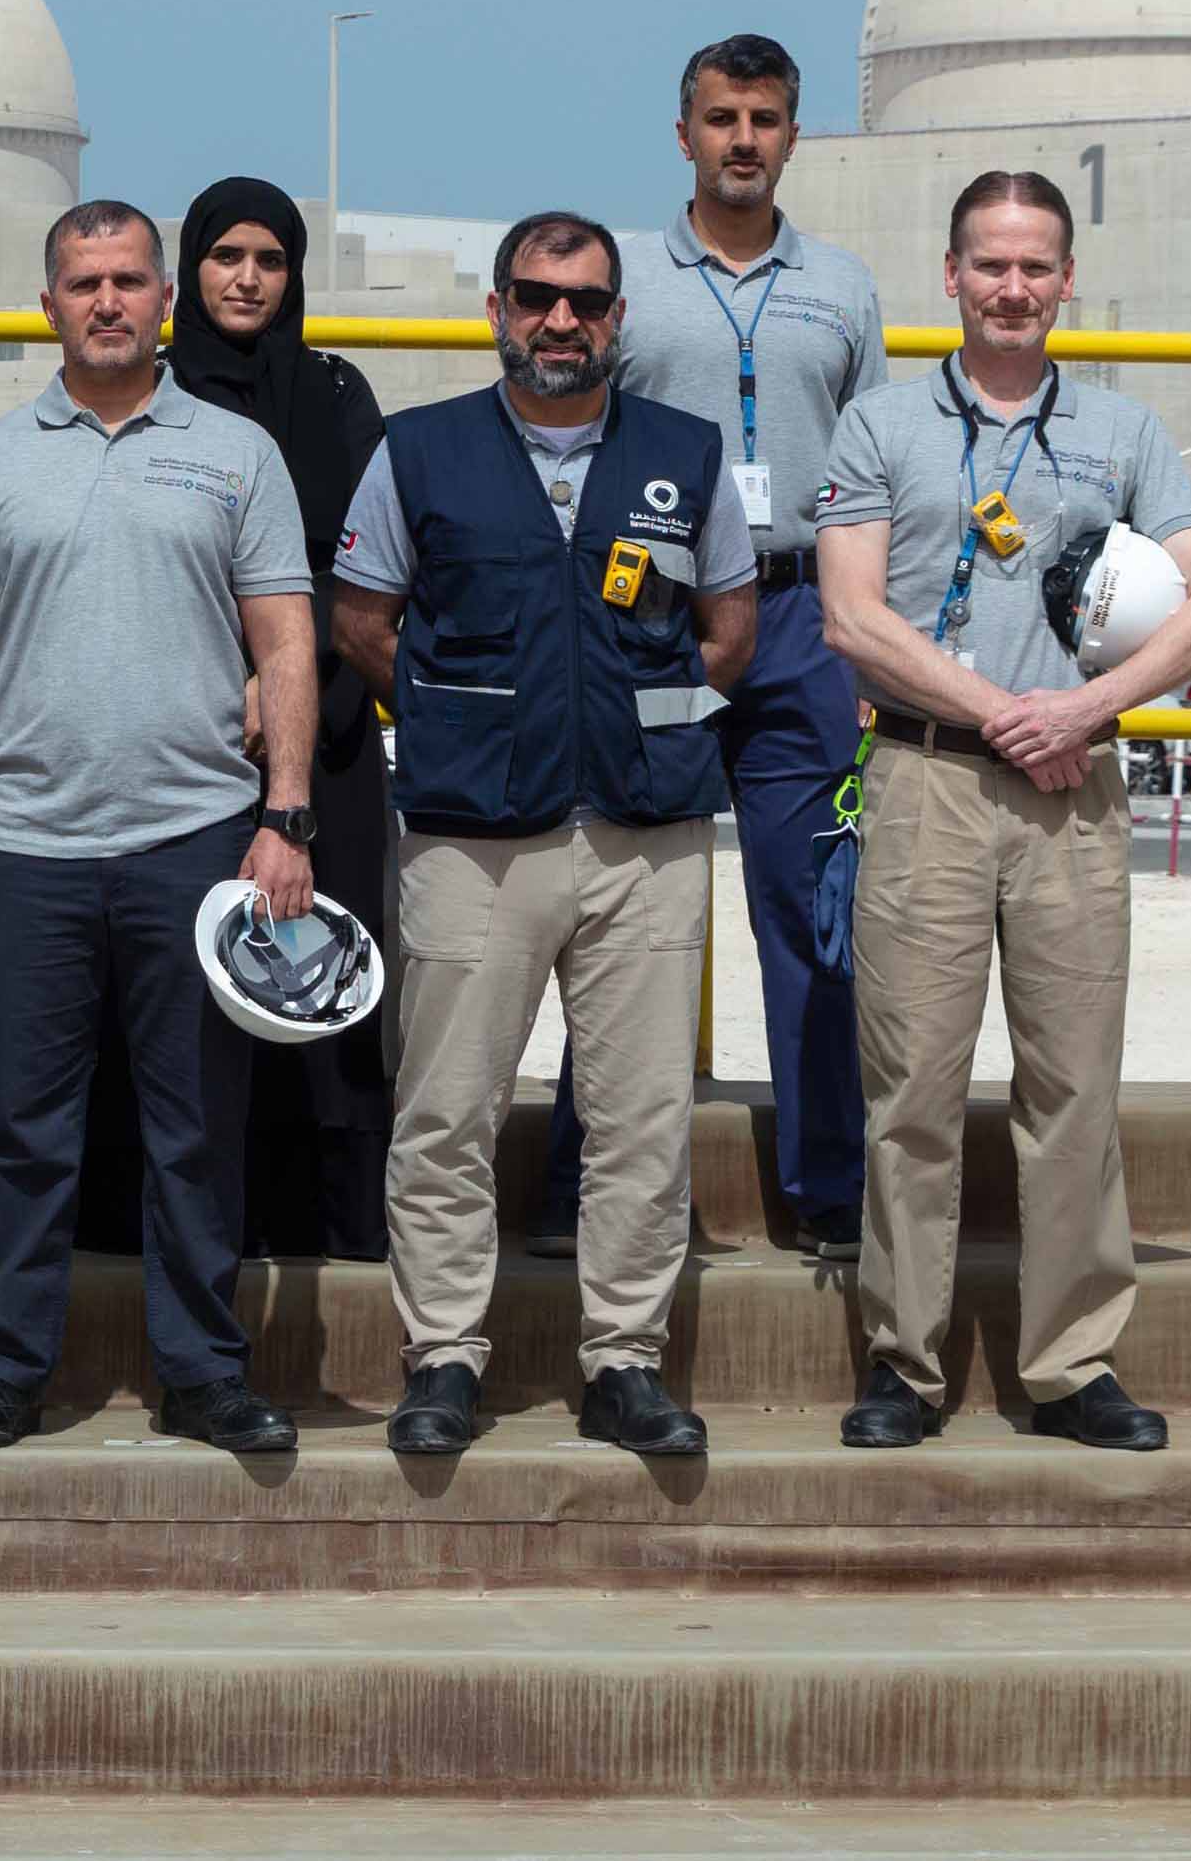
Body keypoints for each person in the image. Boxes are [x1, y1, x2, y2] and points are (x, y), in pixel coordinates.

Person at [813, 172, 1191, 1452]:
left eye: (1035, 268)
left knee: (1070, 1085)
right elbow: (851, 615)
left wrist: (1088, 708)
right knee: (914, 1090)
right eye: (989, 266)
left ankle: (1068, 1366)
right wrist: (1008, 712)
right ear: (949, 276)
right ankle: (904, 1360)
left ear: (1065, 281)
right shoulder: (879, 426)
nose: (1012, 290)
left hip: (1071, 787)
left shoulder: (1123, 431)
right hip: (931, 777)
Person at [334, 213, 762, 1459]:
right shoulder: (418, 452)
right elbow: (364, 617)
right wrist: (469, 715)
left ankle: (623, 1361)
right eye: (535, 299)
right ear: (496, 309)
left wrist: (643, 723)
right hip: (473, 839)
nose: (559, 322)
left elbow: (726, 627)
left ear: (616, 318)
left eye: (583, 302)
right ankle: (444, 1359)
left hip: (645, 835)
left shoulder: (683, 451)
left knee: (639, 1120)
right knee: (446, 1112)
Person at [0, 203, 321, 1459]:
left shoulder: (238, 453)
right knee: (20, 1123)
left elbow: (286, 642)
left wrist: (286, 817)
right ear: (47, 304)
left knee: (194, 1124)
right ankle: (6, 1368)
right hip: (26, 844)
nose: (107, 301)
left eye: (128, 281)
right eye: (83, 282)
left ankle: (201, 1371)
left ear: (164, 301)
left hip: (194, 841)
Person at [602, 32, 888, 1262]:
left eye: (763, 119)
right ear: (682, 134)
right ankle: (593, 1181)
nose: (740, 141)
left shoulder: (842, 286)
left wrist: (872, 652)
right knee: (624, 905)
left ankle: (827, 1187)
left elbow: (879, 468)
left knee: (813, 911)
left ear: (790, 135)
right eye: (719, 118)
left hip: (801, 624)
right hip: (656, 623)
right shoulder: (615, 277)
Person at [164, 178, 396, 1261]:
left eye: (268, 258)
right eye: (224, 257)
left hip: (329, 733)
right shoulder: (156, 403)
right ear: (190, 272)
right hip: (182, 740)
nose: (247, 277)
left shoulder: (334, 398)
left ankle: (335, 1230)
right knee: (191, 987)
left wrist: (295, 678)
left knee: (321, 975)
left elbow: (366, 568)